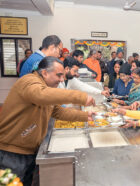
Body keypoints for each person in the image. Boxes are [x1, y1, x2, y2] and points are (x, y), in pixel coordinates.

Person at [0, 56, 95, 186]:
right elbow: (40, 95)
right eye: (59, 75)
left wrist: (85, 116)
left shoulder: (45, 87)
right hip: (13, 152)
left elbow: (58, 111)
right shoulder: (29, 82)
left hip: (28, 150)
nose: (62, 79)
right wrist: (81, 97)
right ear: (44, 73)